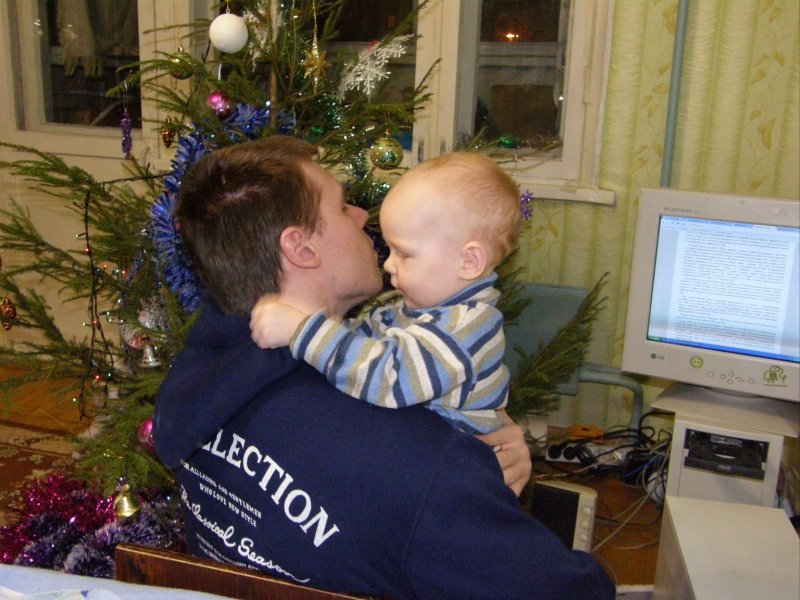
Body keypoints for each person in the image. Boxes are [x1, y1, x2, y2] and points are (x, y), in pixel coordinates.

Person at [152, 136, 615, 600]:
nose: (361, 216)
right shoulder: (421, 468)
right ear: (300, 247)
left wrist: (485, 418)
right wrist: (468, 471)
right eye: (342, 207)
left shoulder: (202, 371)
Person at [249, 152, 519, 434]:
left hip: (445, 454)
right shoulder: (407, 312)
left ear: (469, 262)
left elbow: (389, 377)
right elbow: (359, 343)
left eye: (404, 253)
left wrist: (302, 330)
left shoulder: (467, 327)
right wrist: (304, 317)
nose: (388, 264)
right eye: (390, 250)